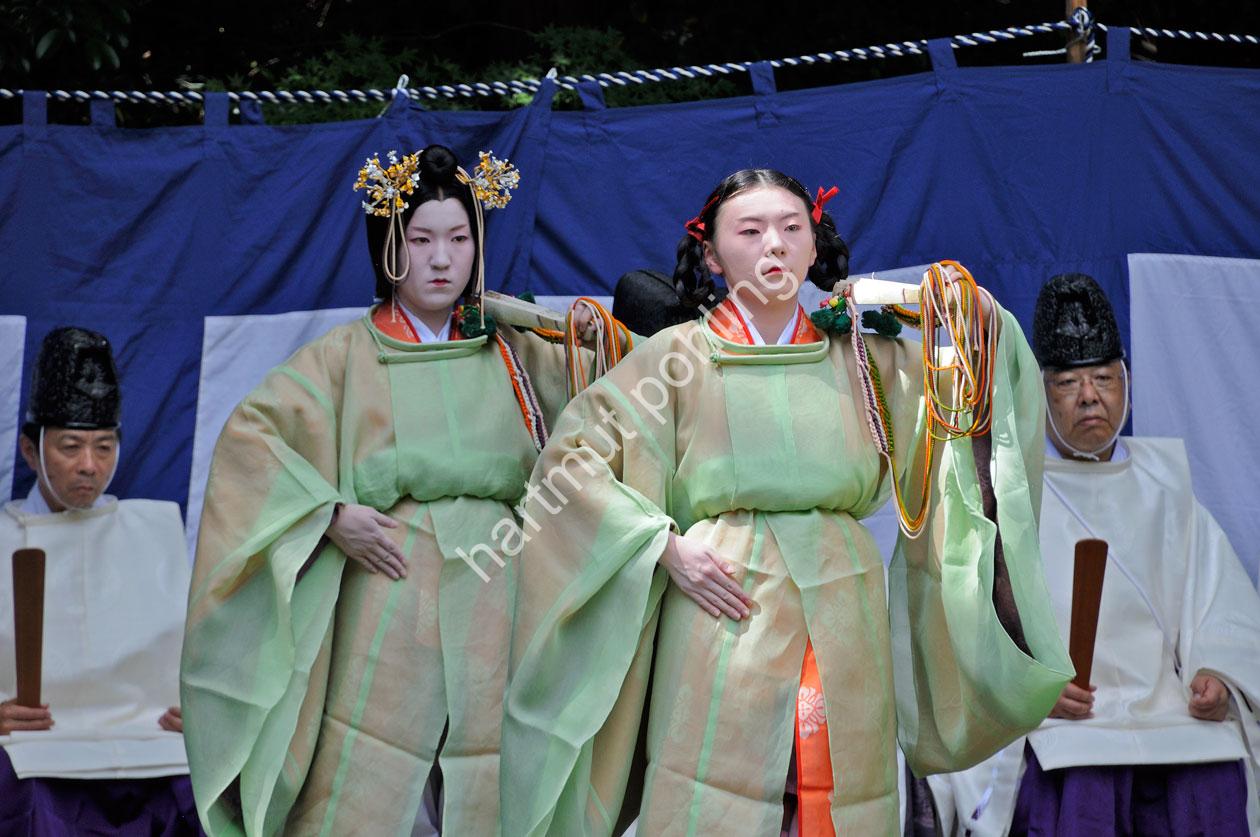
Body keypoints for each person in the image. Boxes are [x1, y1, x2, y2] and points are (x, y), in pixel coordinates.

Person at [500, 169, 1073, 835]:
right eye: (750, 230)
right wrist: (663, 545)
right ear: (712, 255)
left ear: (813, 246)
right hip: (721, 604)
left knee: (840, 792)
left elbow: (962, 398)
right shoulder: (674, 359)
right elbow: (568, 466)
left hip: (843, 603)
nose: (773, 244)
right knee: (708, 796)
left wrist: (967, 315)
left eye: (791, 228)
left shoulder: (867, 354)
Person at [180, 144, 628, 835]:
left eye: (459, 238)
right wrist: (327, 515)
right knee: (362, 772)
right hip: (385, 590)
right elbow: (252, 447)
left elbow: (611, 414)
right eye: (420, 240)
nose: (442, 259)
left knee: (498, 766)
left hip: (500, 584)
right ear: (388, 244)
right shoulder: (342, 358)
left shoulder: (521, 348)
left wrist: (608, 340)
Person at [928, 272, 1260, 835]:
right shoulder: (1010, 490)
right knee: (1075, 789)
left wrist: (1218, 673)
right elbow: (966, 614)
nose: (1089, 397)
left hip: (1169, 713)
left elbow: (1221, 604)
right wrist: (1029, 688)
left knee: (1214, 777)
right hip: (1063, 722)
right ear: (1040, 390)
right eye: (1067, 383)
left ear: (1126, 382)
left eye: (1104, 378)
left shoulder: (1166, 484)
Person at [0, 326, 198, 836]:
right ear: (30, 450)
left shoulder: (155, 530)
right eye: (70, 446)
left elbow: (216, 655)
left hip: (153, 746)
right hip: (34, 753)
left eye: (103, 447)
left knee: (205, 793)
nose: (89, 466)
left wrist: (203, 708)